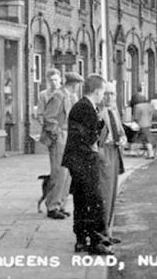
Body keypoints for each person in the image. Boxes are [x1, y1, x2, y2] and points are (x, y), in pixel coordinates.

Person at [62, 73, 113, 255]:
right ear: (98, 91)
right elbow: (89, 138)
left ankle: (82, 240)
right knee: (93, 200)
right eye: (103, 92)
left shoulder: (82, 106)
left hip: (78, 160)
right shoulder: (86, 108)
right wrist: (99, 124)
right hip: (83, 160)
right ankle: (97, 241)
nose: (103, 95)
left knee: (82, 201)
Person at [40, 69, 74, 219]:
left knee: (67, 173)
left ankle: (60, 204)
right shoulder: (58, 96)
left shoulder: (70, 96)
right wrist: (57, 134)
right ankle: (53, 206)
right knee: (59, 171)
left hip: (69, 136)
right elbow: (49, 118)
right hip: (60, 136)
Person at [97, 85, 126, 241]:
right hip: (104, 153)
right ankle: (102, 232)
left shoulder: (114, 112)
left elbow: (121, 132)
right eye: (106, 94)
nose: (109, 97)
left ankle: (108, 230)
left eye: (112, 94)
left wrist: (122, 139)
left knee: (113, 192)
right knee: (105, 193)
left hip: (115, 153)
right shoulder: (99, 113)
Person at [131, 95, 155, 159]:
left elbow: (136, 117)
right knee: (146, 138)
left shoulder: (137, 106)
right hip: (148, 123)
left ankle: (150, 154)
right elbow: (152, 113)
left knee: (145, 139)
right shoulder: (149, 105)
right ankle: (149, 152)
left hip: (141, 124)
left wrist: (135, 122)